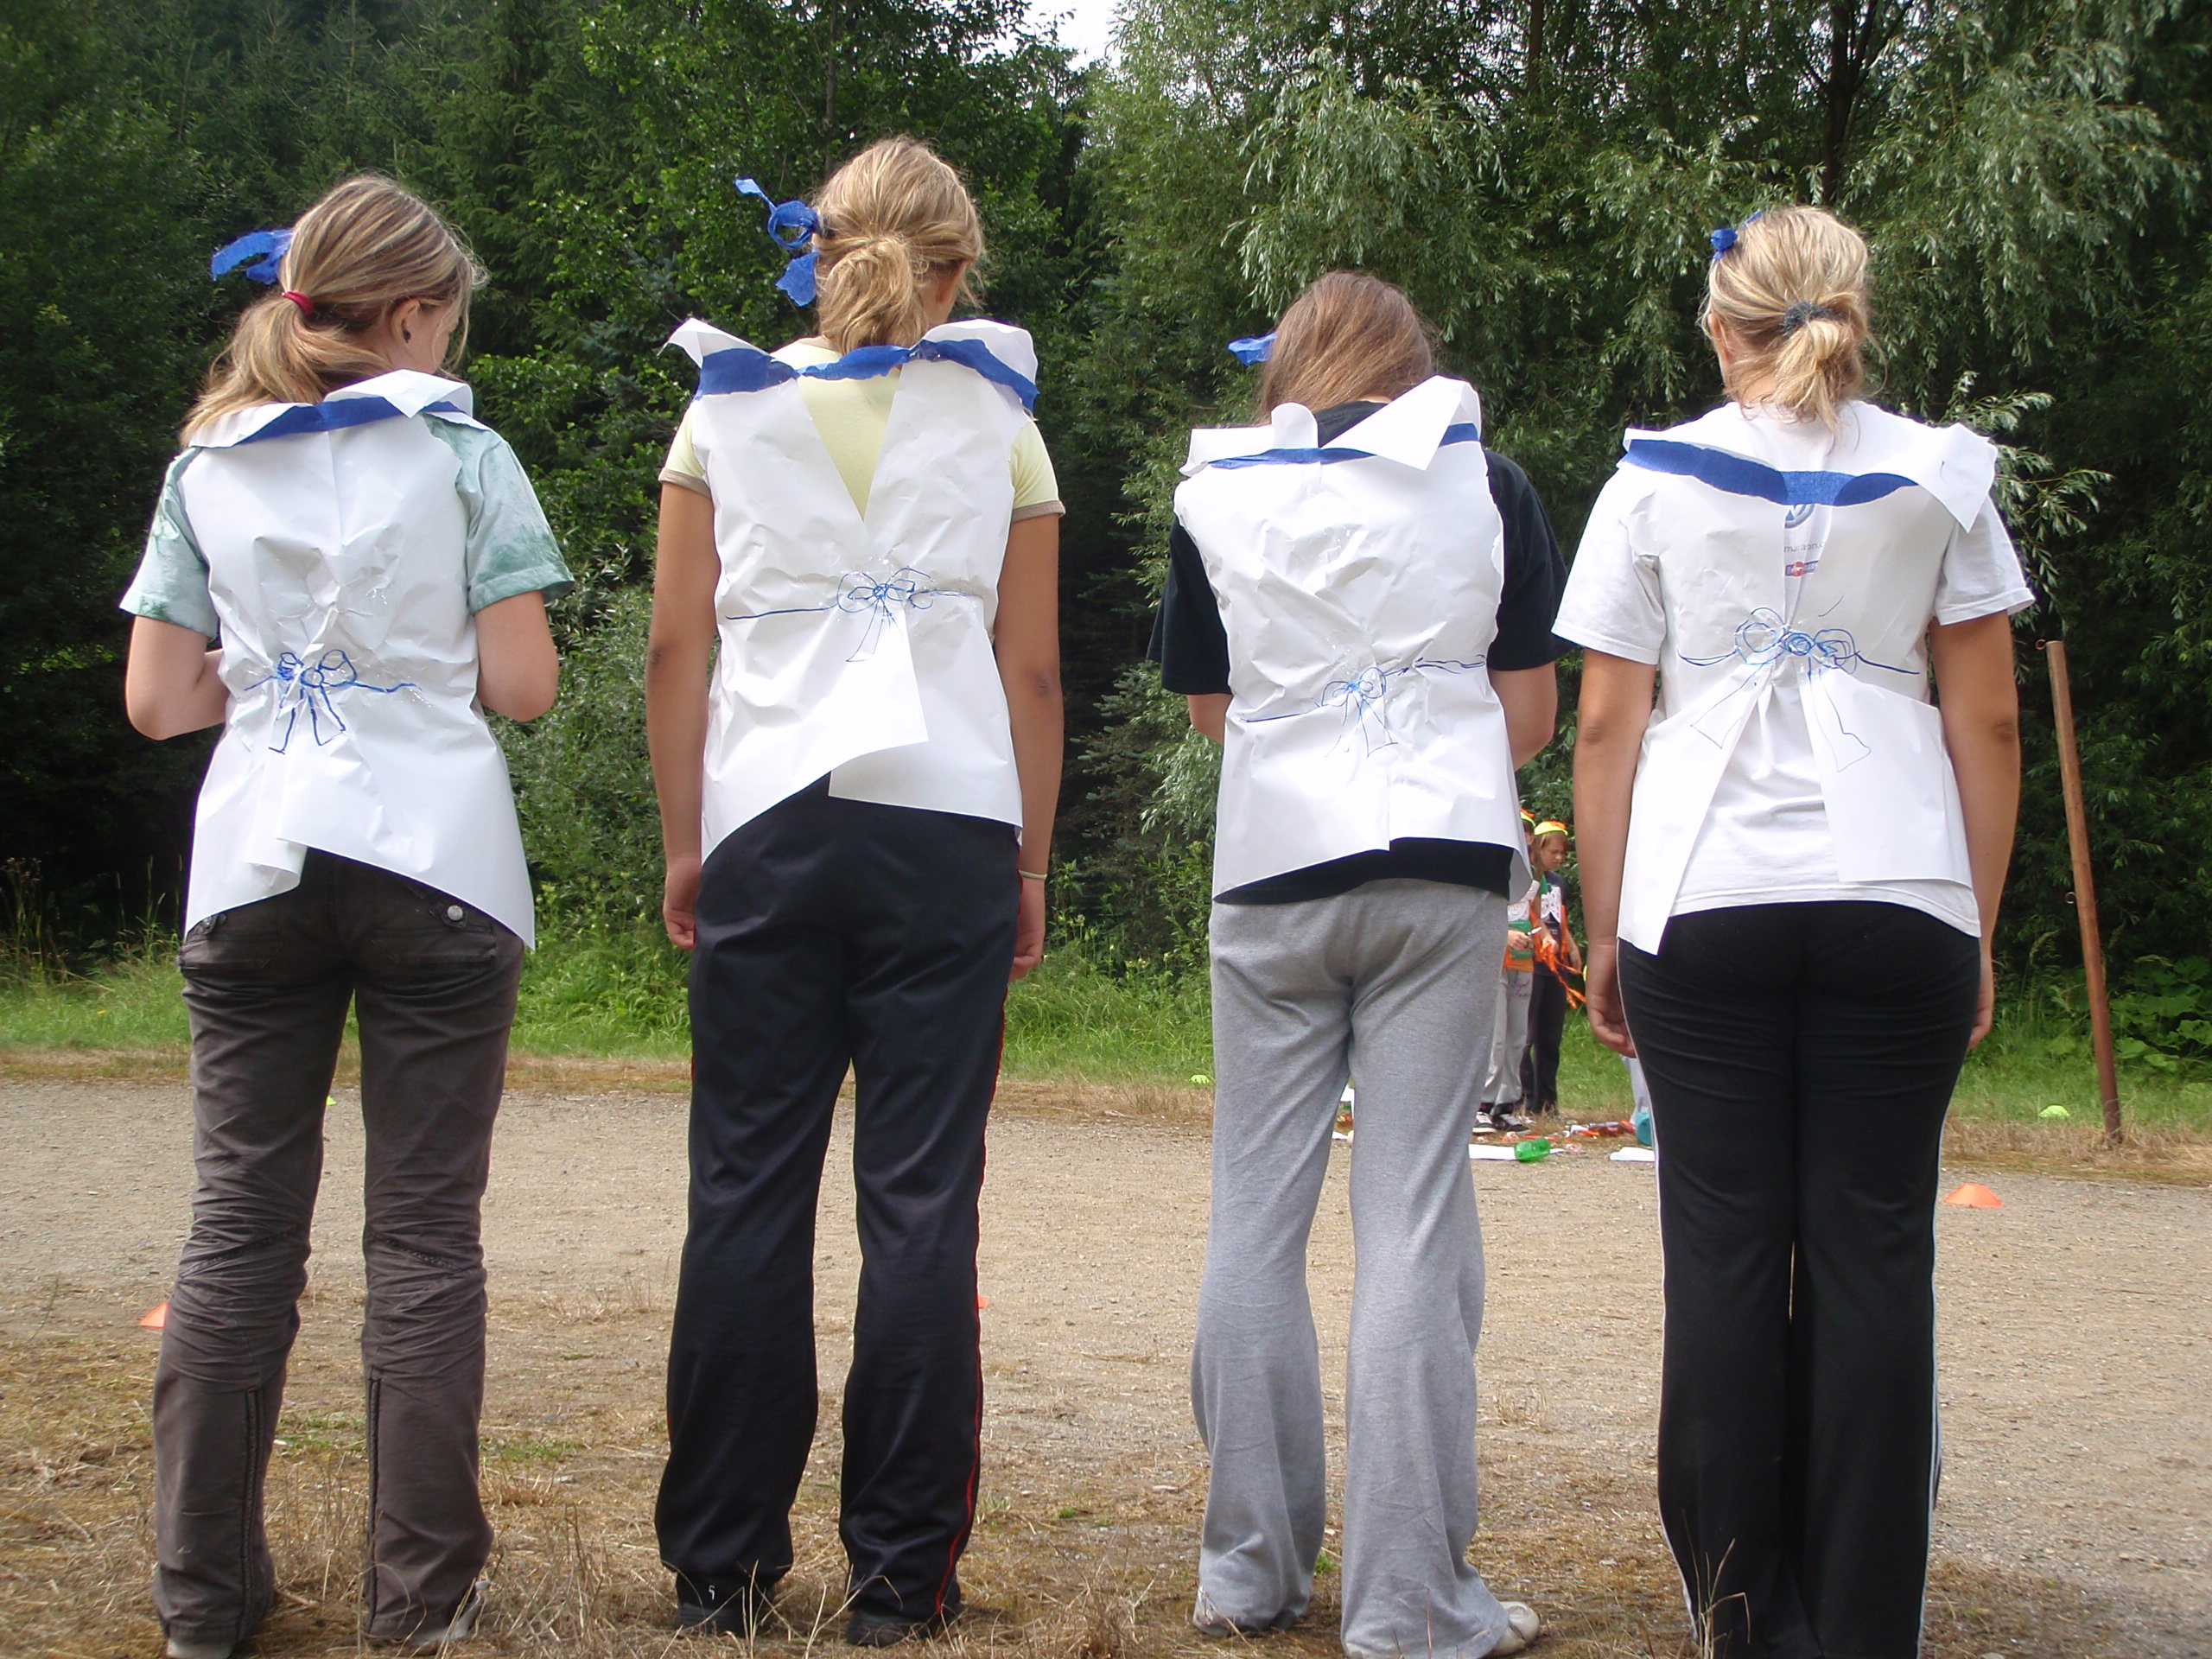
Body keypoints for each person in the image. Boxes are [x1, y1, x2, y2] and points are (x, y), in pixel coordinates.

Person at [1558, 205, 2026, 1658]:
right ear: (1855, 315)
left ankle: (1743, 1610)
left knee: (1722, 1253)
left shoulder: (1652, 482)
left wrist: (1605, 929)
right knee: (1875, 1256)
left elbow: (1608, 726)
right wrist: (1975, 924)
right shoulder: (1942, 478)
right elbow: (1990, 722)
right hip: (1899, 896)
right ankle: (1867, 1618)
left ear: (1721, 328)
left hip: (1705, 896)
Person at [120, 175, 570, 1657]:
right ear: (417, 314)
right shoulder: (463, 453)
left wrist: (275, 672)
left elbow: (158, 700)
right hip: (434, 860)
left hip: (256, 861)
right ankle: (419, 1602)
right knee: (424, 1237)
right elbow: (522, 685)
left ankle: (203, 1599)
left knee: (238, 1228)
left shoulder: (207, 460)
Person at [645, 137, 1064, 1642]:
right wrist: (1031, 858)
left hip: (768, 816)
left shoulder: (726, 408)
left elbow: (676, 648)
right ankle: (900, 1574)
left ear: (816, 257)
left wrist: (686, 841)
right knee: (921, 1202)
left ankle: (721, 1568)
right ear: (957, 274)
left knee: (746, 1188)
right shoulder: (1002, 422)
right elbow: (1031, 670)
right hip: (947, 823)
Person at [1152, 270, 1563, 1659]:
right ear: (1413, 364)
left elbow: (1212, 710)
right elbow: (1528, 715)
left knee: (1253, 1220)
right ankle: (1407, 1600)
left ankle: (1248, 1570)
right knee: (1412, 1221)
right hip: (1437, 861)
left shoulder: (1218, 490)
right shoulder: (1486, 482)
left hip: (1274, 866)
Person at [1478, 814, 1540, 1132]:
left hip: (1523, 963)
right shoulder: (1489, 867)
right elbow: (1478, 914)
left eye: (1528, 836)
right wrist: (1505, 934)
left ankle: (1507, 1104)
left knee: (1518, 1037)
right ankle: (1482, 1104)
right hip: (1495, 962)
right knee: (1496, 1038)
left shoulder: (1534, 878)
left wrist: (1546, 939)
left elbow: (1538, 916)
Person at [1518, 821, 1581, 1114]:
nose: (1558, 858)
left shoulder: (1556, 882)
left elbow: (1558, 918)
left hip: (1556, 965)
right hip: (1531, 962)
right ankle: (1525, 1098)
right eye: (1553, 852)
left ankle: (1547, 1102)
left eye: (1562, 853)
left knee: (1550, 1037)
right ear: (1537, 847)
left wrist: (1572, 945)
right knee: (1526, 1036)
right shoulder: (1526, 879)